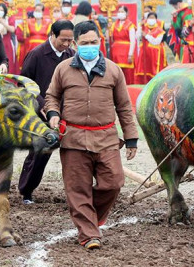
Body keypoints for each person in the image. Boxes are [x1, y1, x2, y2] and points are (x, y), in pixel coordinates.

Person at [45, 20, 138, 250]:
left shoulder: (113, 70)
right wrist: (53, 113)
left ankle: (90, 216)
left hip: (105, 137)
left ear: (100, 42)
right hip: (73, 138)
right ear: (75, 44)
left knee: (114, 182)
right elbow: (51, 96)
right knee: (78, 189)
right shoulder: (63, 69)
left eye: (93, 42)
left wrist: (131, 138)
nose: (89, 46)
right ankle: (89, 234)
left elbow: (124, 107)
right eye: (84, 43)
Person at [17, 20, 75, 204]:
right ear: (52, 35)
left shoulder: (71, 55)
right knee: (40, 152)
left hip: (67, 111)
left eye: (70, 41)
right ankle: (26, 190)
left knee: (75, 153)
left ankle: (76, 192)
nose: (66, 44)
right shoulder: (36, 55)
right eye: (63, 40)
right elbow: (23, 84)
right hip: (41, 113)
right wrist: (42, 104)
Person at [134, 12, 167, 84]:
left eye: (153, 18)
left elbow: (156, 42)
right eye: (150, 18)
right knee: (143, 70)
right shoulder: (143, 27)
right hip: (144, 53)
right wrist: (140, 28)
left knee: (153, 71)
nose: (151, 19)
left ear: (156, 19)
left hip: (154, 54)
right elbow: (137, 37)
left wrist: (146, 35)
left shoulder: (159, 30)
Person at [109, 6, 136, 85]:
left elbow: (132, 41)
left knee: (127, 73)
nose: (120, 13)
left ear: (126, 13)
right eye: (119, 11)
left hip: (126, 52)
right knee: (117, 71)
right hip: (116, 52)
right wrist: (109, 29)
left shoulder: (130, 25)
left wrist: (130, 54)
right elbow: (110, 39)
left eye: (122, 11)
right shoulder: (114, 25)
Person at [0, 3, 18, 74]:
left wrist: (2, 22)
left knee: (8, 63)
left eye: (2, 10)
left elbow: (13, 30)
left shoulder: (9, 19)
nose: (0, 11)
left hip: (7, 44)